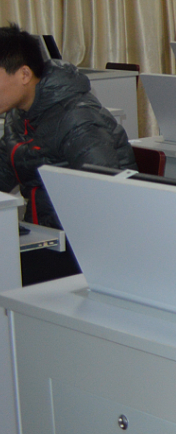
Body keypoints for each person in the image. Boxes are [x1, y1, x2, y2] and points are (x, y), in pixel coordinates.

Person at [0, 24, 136, 284]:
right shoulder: (18, 115)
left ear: (24, 74)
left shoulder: (77, 118)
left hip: (82, 249)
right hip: (43, 236)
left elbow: (104, 195)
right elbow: (4, 170)